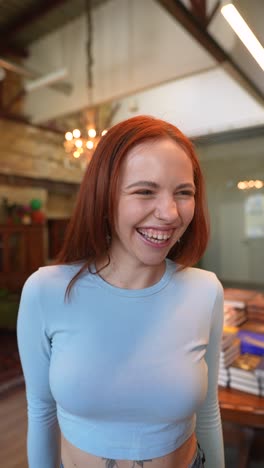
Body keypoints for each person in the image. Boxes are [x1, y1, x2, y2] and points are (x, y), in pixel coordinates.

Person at [17, 115, 225, 468]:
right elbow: (41, 412)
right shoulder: (45, 291)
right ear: (104, 197)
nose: (170, 213)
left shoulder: (205, 291)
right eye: (145, 191)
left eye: (183, 193)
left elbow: (208, 410)